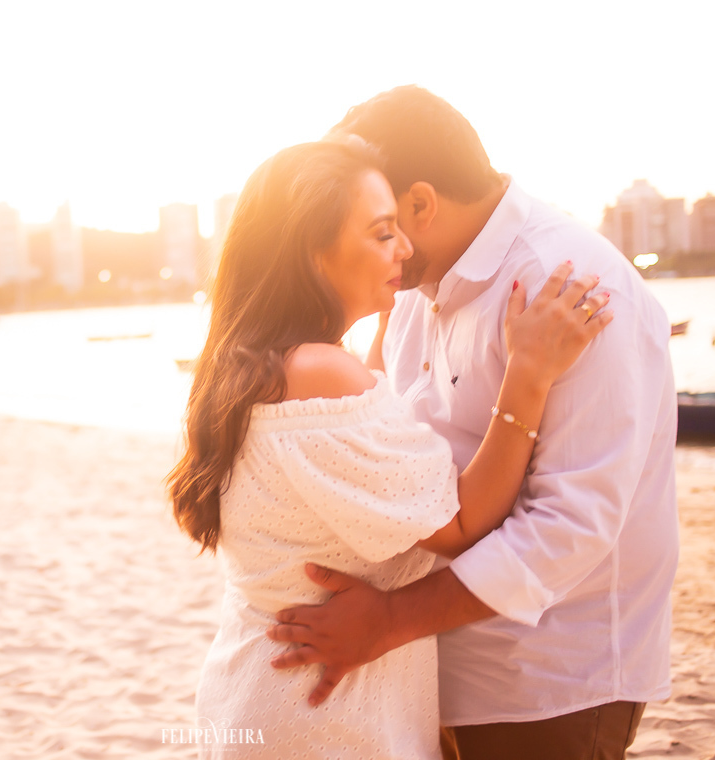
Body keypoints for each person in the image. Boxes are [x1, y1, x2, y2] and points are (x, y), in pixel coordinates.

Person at [266, 86, 679, 760]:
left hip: (546, 686)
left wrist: (392, 619)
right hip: (419, 672)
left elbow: (573, 525)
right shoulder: (408, 292)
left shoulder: (568, 284)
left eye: (376, 219)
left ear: (422, 204)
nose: (372, 240)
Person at [167, 138, 611, 758]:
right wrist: (529, 374)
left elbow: (371, 420)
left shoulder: (247, 370)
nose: (404, 246)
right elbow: (458, 522)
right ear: (312, 253)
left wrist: (383, 319)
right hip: (325, 718)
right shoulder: (321, 375)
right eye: (381, 234)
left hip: (263, 691)